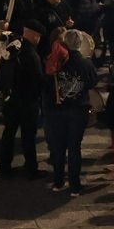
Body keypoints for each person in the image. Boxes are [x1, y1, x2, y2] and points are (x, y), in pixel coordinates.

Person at [43, 29, 96, 195]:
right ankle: (75, 184)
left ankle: (58, 181)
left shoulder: (56, 62)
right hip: (78, 110)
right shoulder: (86, 63)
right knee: (74, 148)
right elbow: (92, 82)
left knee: (58, 147)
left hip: (58, 110)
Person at [0, 20, 45, 177]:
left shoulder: (13, 48)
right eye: (38, 36)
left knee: (9, 133)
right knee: (28, 136)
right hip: (28, 101)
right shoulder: (32, 55)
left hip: (11, 99)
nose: (39, 39)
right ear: (33, 34)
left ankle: (4, 167)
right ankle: (31, 168)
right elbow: (39, 80)